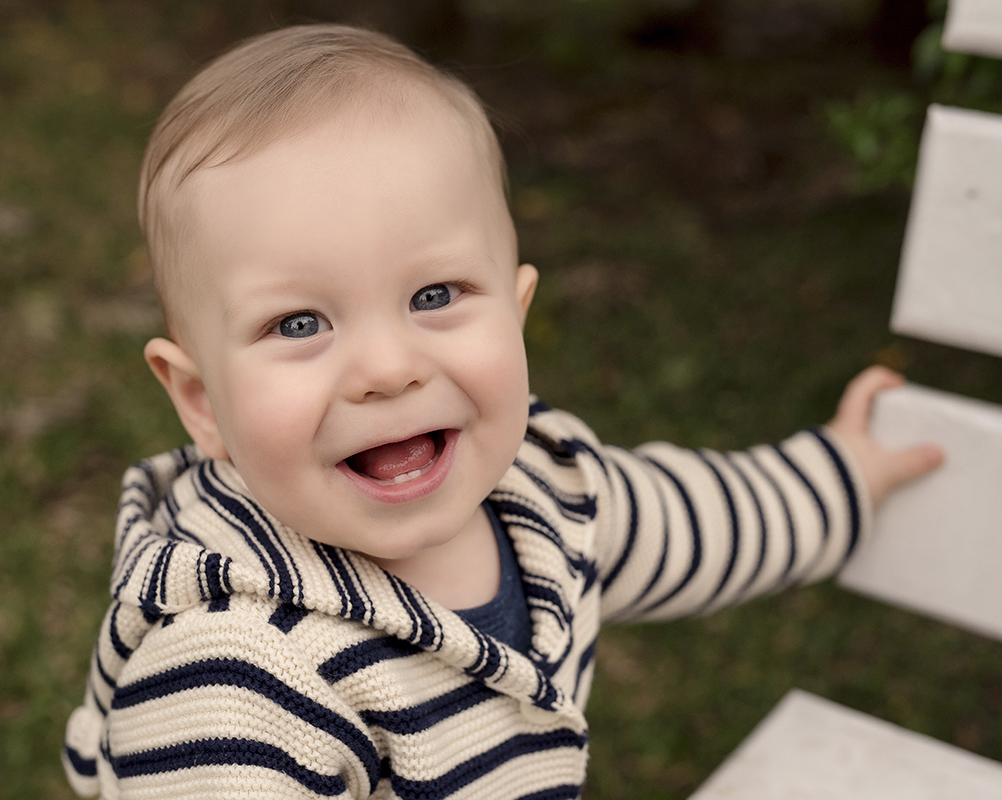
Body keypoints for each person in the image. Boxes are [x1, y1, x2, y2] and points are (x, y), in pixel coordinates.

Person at [61, 23, 942, 799]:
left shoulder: (552, 493)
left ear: (516, 319)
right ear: (202, 402)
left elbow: (702, 522)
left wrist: (841, 475)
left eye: (435, 293)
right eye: (301, 322)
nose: (386, 368)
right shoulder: (238, 679)